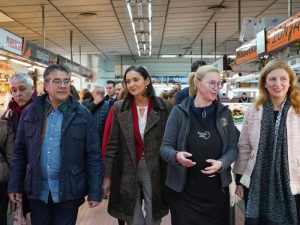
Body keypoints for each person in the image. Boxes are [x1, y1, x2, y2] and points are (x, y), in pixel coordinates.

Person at [7, 64, 103, 225]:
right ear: (46, 85)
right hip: (37, 190)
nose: (63, 85)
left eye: (66, 81)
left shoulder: (82, 114)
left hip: (69, 190)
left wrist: (95, 191)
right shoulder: (30, 112)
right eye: (57, 81)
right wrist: (15, 184)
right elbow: (20, 153)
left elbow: (93, 155)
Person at [160, 65, 238, 225]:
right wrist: (176, 156)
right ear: (197, 83)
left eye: (219, 83)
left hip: (216, 193)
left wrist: (222, 163)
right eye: (212, 83)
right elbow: (165, 148)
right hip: (184, 194)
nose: (217, 88)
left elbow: (233, 148)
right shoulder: (179, 112)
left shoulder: (224, 113)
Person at [233, 59, 300, 225]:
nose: (278, 84)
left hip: (292, 179)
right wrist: (239, 180)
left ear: (291, 81)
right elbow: (244, 147)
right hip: (257, 180)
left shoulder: (298, 110)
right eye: (272, 79)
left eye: (283, 79)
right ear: (264, 82)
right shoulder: (254, 110)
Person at [102, 65, 169, 225]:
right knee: (133, 215)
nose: (131, 84)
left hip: (155, 168)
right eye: (128, 81)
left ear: (147, 81)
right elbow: (112, 144)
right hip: (127, 168)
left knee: (154, 213)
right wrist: (107, 175)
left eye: (136, 79)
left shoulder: (164, 107)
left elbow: (169, 142)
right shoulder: (119, 107)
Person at [0, 73, 37, 225]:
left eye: (22, 89)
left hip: (38, 172)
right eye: (13, 90)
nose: (18, 94)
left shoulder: (43, 111)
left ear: (33, 89)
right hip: (20, 172)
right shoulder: (8, 115)